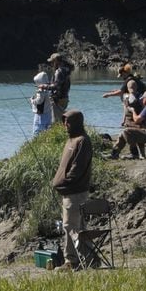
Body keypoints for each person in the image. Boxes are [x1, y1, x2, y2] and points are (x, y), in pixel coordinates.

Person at [52, 110, 93, 272]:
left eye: (68, 122)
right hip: (67, 192)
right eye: (64, 122)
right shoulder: (70, 141)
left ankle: (73, 261)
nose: (65, 125)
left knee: (70, 226)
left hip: (75, 191)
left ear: (76, 122)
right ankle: (89, 259)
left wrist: (64, 183)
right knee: (76, 226)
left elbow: (77, 169)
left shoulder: (82, 141)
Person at [107, 90, 146, 159]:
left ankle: (134, 154)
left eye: (143, 99)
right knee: (123, 134)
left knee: (127, 131)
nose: (142, 100)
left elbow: (137, 120)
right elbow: (142, 123)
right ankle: (114, 154)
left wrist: (132, 110)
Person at [41, 53, 73, 124]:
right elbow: (60, 83)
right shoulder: (66, 70)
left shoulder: (59, 71)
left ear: (56, 61)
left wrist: (44, 86)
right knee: (61, 120)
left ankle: (60, 134)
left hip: (57, 100)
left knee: (56, 121)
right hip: (65, 98)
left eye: (52, 62)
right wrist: (49, 85)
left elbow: (56, 86)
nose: (51, 64)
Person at [30, 70, 54, 135]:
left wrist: (32, 101)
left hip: (40, 113)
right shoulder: (48, 89)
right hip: (48, 112)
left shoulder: (40, 91)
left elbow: (39, 101)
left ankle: (36, 141)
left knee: (37, 129)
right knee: (47, 128)